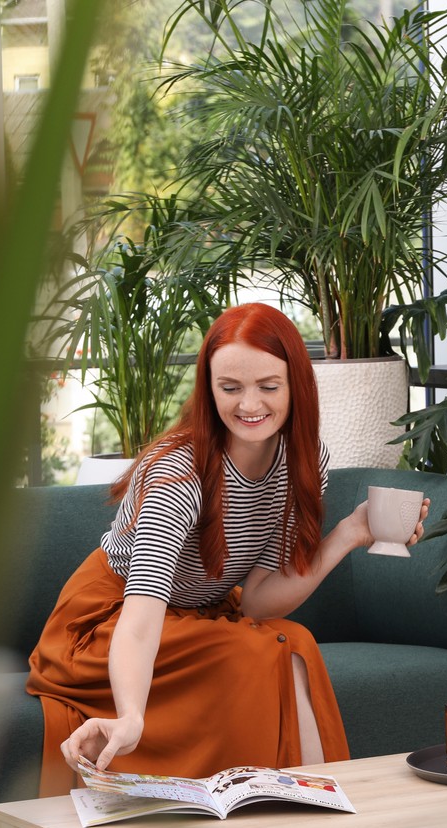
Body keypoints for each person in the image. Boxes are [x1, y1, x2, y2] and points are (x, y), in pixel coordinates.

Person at [28, 302, 426, 796]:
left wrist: (349, 534)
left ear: (296, 384)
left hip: (196, 619)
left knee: (293, 641)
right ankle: (279, 812)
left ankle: (316, 818)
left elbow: (257, 599)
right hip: (105, 625)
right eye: (230, 388)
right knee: (256, 652)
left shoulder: (304, 460)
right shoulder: (182, 473)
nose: (249, 404)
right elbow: (141, 616)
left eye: (268, 386)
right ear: (209, 388)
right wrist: (131, 715)